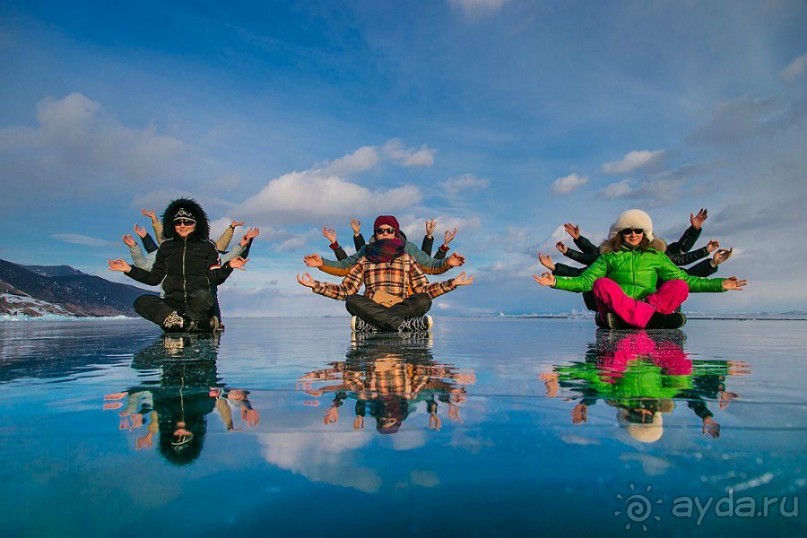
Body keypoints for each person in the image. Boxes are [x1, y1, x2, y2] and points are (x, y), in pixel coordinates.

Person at [533, 209, 747, 329]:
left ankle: (637, 317)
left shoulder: (656, 257)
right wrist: (555, 281)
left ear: (645, 234)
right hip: (620, 306)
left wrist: (721, 284)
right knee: (600, 284)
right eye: (628, 231)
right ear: (620, 234)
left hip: (644, 305)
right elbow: (585, 281)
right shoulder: (609, 257)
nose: (633, 234)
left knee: (680, 285)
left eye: (638, 230)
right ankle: (651, 318)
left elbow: (688, 278)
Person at [298, 215, 473, 332]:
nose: (385, 233)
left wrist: (452, 283)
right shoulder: (365, 257)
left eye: (389, 230)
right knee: (352, 300)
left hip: (401, 306)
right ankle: (404, 325)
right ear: (375, 234)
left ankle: (375, 325)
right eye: (380, 230)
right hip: (374, 307)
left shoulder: (407, 256)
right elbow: (347, 289)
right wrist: (316, 284)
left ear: (395, 233)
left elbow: (424, 287)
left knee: (424, 300)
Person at [108, 198, 247, 332]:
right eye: (178, 222)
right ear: (172, 224)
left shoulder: (207, 247)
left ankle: (183, 323)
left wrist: (228, 266)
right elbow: (154, 279)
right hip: (172, 305)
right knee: (141, 301)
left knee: (204, 296)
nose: (182, 225)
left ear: (196, 224)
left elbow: (214, 277)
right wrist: (128, 269)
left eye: (187, 222)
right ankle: (193, 324)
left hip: (196, 304)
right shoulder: (166, 248)